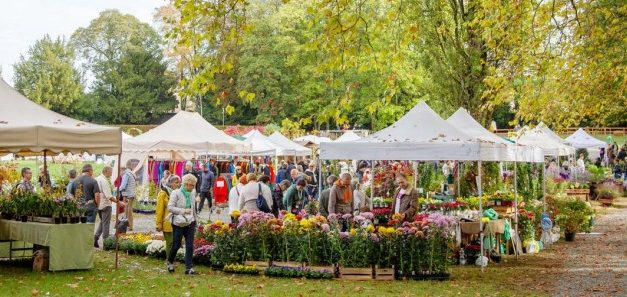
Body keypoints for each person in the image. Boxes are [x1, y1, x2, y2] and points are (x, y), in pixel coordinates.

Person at [167, 174, 198, 275]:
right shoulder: (176, 193)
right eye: (191, 185)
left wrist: (195, 220)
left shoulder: (193, 192)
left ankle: (188, 268)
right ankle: (170, 262)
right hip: (178, 222)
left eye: (194, 185)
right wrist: (183, 211)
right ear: (186, 184)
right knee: (176, 244)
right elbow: (170, 208)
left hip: (190, 222)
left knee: (189, 245)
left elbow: (193, 208)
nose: (193, 187)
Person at [156, 175, 180, 260]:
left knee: (176, 243)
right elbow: (159, 210)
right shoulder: (163, 193)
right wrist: (158, 223)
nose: (178, 184)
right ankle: (169, 261)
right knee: (170, 242)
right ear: (170, 183)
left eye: (179, 183)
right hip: (167, 222)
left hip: (177, 222)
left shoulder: (178, 193)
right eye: (176, 182)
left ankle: (172, 260)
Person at [95, 166, 115, 248]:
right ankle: (106, 243)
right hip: (105, 205)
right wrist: (119, 202)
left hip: (98, 204)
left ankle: (95, 238)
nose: (111, 173)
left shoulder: (96, 179)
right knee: (106, 223)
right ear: (106, 171)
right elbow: (108, 196)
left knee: (102, 221)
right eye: (111, 172)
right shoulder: (104, 181)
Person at [119, 160, 137, 231]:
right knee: (129, 210)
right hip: (132, 193)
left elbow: (123, 186)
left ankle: (127, 225)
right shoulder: (132, 173)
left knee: (127, 210)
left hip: (126, 194)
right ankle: (130, 225)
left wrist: (117, 190)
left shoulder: (126, 174)